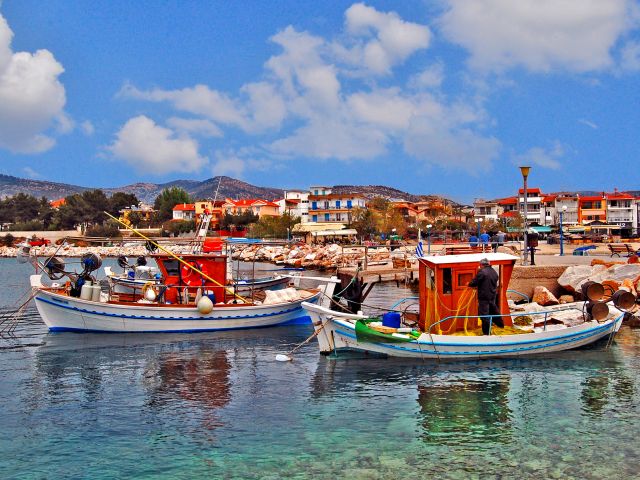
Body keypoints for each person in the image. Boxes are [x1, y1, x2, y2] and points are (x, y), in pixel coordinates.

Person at [468, 258, 503, 335]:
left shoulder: (482, 272)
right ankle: (500, 325)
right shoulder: (494, 272)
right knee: (492, 312)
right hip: (492, 296)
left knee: (484, 315)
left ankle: (486, 333)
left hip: (484, 297)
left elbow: (475, 282)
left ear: (481, 265)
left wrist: (469, 284)